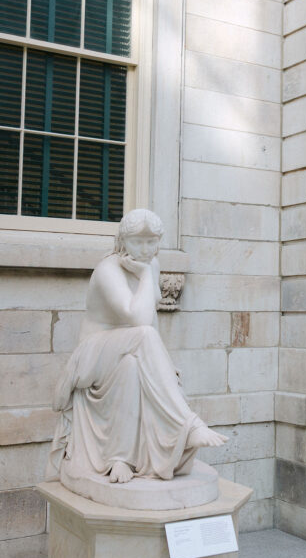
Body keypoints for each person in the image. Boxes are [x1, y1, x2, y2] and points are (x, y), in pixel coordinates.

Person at [47, 208, 224, 486]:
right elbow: (139, 319)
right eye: (137, 242)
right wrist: (143, 276)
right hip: (93, 357)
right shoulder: (108, 269)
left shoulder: (152, 265)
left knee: (131, 365)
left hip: (129, 350)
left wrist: (163, 366)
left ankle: (121, 458)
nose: (145, 249)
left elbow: (150, 324)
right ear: (122, 241)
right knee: (141, 336)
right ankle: (188, 424)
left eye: (151, 242)